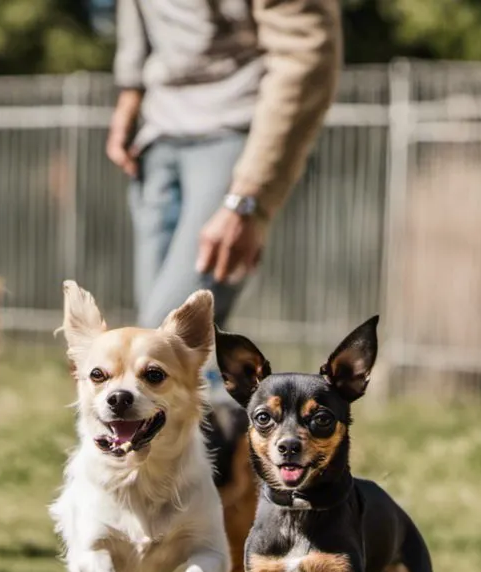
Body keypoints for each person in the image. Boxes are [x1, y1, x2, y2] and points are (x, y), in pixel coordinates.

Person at [108, 0, 341, 384]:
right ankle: (224, 432)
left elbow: (307, 54)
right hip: (157, 135)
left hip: (235, 135)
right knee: (183, 356)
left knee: (158, 349)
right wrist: (129, 95)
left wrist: (247, 199)